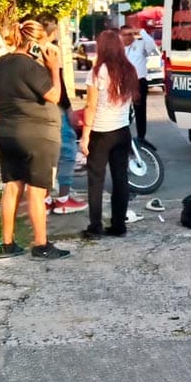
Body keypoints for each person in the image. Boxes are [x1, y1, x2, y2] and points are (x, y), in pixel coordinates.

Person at [0, 20, 70, 260]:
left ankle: (7, 244)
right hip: (37, 135)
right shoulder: (31, 67)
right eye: (42, 44)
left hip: (7, 132)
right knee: (36, 191)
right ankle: (41, 245)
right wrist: (54, 68)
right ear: (33, 42)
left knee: (12, 187)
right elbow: (54, 96)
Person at [80, 30, 140, 239]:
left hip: (101, 132)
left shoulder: (97, 72)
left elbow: (91, 105)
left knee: (96, 180)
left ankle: (95, 227)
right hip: (122, 131)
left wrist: (85, 135)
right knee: (121, 179)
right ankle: (118, 225)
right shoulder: (129, 70)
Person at [36, 13, 88, 215]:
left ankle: (46, 198)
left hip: (35, 110)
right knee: (66, 151)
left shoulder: (28, 51)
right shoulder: (50, 51)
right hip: (53, 107)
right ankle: (64, 198)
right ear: (51, 30)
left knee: (45, 155)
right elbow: (59, 85)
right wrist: (68, 109)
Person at [120, 25, 158, 151]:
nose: (127, 37)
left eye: (129, 34)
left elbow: (152, 47)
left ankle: (141, 137)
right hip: (124, 83)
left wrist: (140, 31)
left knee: (140, 111)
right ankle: (124, 139)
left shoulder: (140, 44)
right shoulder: (119, 49)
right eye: (124, 35)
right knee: (123, 112)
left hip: (139, 81)